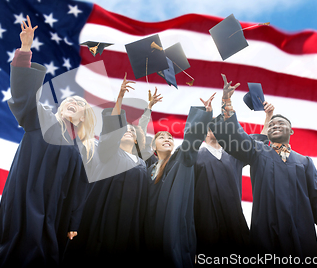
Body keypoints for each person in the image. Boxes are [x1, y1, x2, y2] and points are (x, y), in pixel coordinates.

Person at [0, 17, 94, 267]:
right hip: (26, 196)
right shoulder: (43, 119)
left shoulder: (80, 149)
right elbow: (24, 96)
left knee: (47, 256)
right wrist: (25, 50)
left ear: (84, 117)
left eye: (80, 104)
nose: (74, 103)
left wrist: (73, 223)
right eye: (71, 100)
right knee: (18, 249)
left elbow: (78, 191)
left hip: (54, 211)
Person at [208, 74, 317, 266]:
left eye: (281, 124)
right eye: (272, 124)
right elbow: (236, 137)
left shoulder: (304, 162)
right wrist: (227, 101)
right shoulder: (257, 152)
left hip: (300, 231)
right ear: (267, 131)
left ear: (291, 131)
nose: (276, 125)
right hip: (266, 231)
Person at [62, 75, 158, 267]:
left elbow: (148, 148)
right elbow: (111, 131)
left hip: (130, 226)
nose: (128, 131)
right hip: (103, 220)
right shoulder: (108, 153)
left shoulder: (142, 163)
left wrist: (148, 112)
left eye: (132, 131)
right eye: (124, 129)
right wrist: (120, 99)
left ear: (137, 140)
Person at [193, 101, 274, 258]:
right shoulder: (194, 156)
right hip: (205, 226)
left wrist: (268, 116)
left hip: (235, 223)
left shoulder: (234, 154)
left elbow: (259, 142)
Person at [144, 93, 215, 268]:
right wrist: (148, 109)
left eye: (170, 137)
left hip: (172, 226)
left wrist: (204, 115)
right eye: (161, 137)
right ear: (153, 146)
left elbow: (190, 141)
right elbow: (138, 136)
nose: (167, 139)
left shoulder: (181, 159)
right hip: (149, 227)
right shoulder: (147, 168)